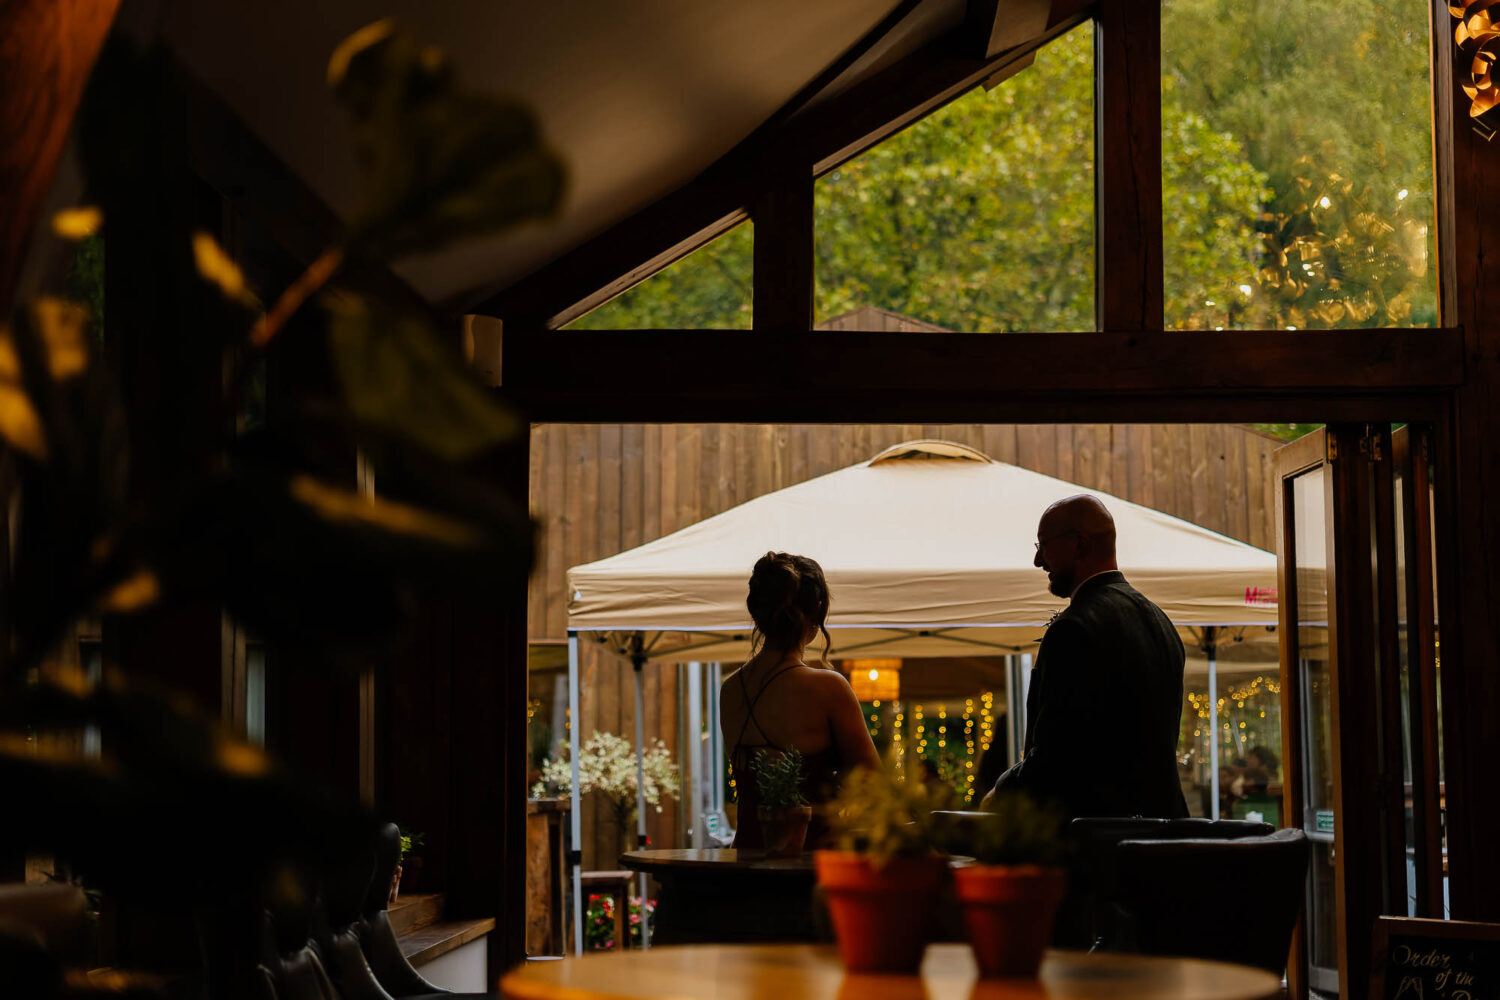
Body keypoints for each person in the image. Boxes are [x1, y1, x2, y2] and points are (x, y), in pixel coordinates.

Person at [982, 495, 1189, 819]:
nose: (1038, 561)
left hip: (1099, 843)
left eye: (1044, 545)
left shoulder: (1075, 628)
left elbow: (1058, 756)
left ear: (1079, 544)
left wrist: (1000, 794)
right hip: (1161, 835)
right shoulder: (1160, 622)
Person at [720, 552, 880, 849]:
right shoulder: (829, 687)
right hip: (810, 868)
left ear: (756, 611)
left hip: (744, 865)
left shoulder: (729, 690)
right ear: (818, 612)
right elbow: (875, 787)